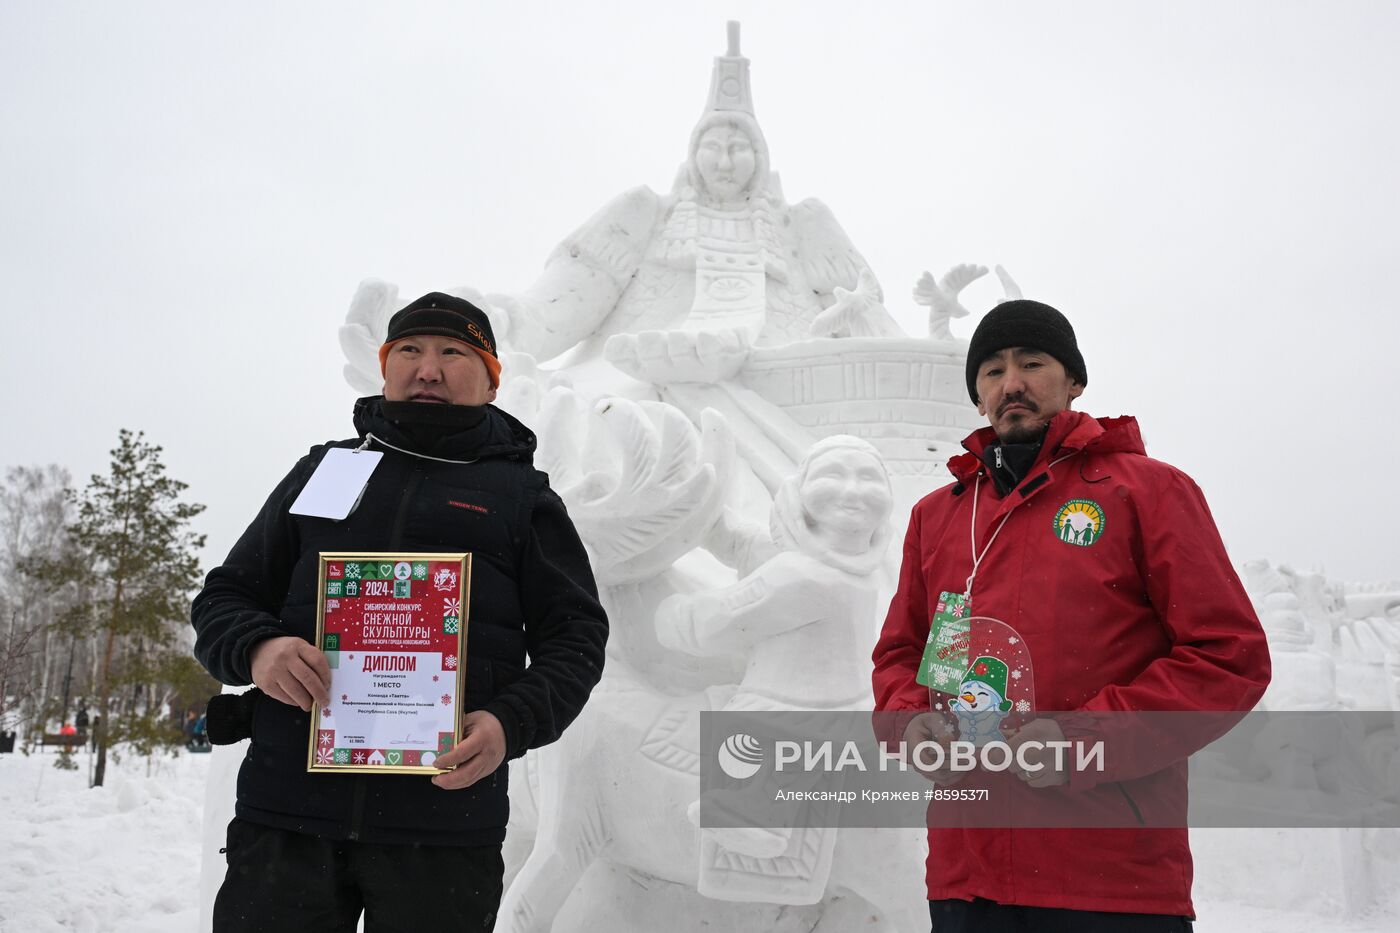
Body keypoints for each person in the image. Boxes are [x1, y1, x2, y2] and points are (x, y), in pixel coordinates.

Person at [192, 292, 608, 932]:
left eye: (453, 352)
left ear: (491, 377)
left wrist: (507, 722)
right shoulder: (326, 471)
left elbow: (575, 638)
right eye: (409, 351)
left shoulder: (522, 497)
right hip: (286, 819)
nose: (429, 369)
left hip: (444, 831)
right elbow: (225, 597)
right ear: (386, 368)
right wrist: (259, 648)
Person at [871, 300, 1271, 932]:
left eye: (1033, 363)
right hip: (965, 871)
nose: (1013, 383)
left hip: (1111, 875)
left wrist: (1082, 742)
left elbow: (1228, 657)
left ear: (1074, 382)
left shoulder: (1147, 492)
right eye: (993, 371)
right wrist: (909, 720)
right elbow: (906, 653)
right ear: (977, 395)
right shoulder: (938, 516)